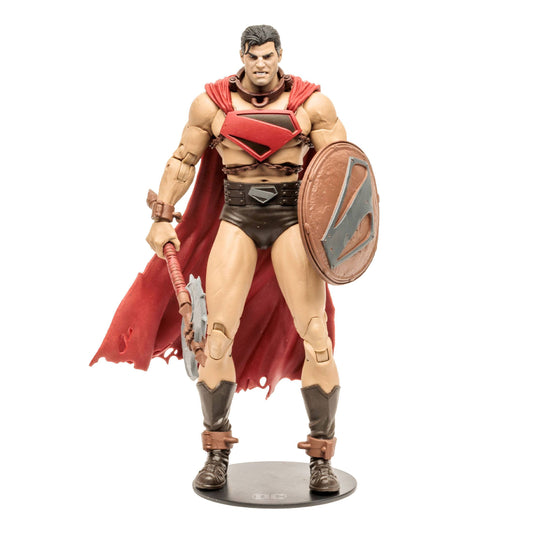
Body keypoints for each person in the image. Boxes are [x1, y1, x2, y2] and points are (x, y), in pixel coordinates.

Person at [94, 25, 348, 493]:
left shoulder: (313, 105)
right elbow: (182, 161)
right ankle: (216, 454)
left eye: (268, 56)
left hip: (290, 221)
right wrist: (163, 216)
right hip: (237, 219)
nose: (261, 64)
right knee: (217, 338)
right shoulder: (212, 104)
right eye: (253, 57)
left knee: (317, 337)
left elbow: (341, 173)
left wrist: (343, 232)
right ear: (242, 57)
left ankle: (321, 457)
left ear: (279, 55)